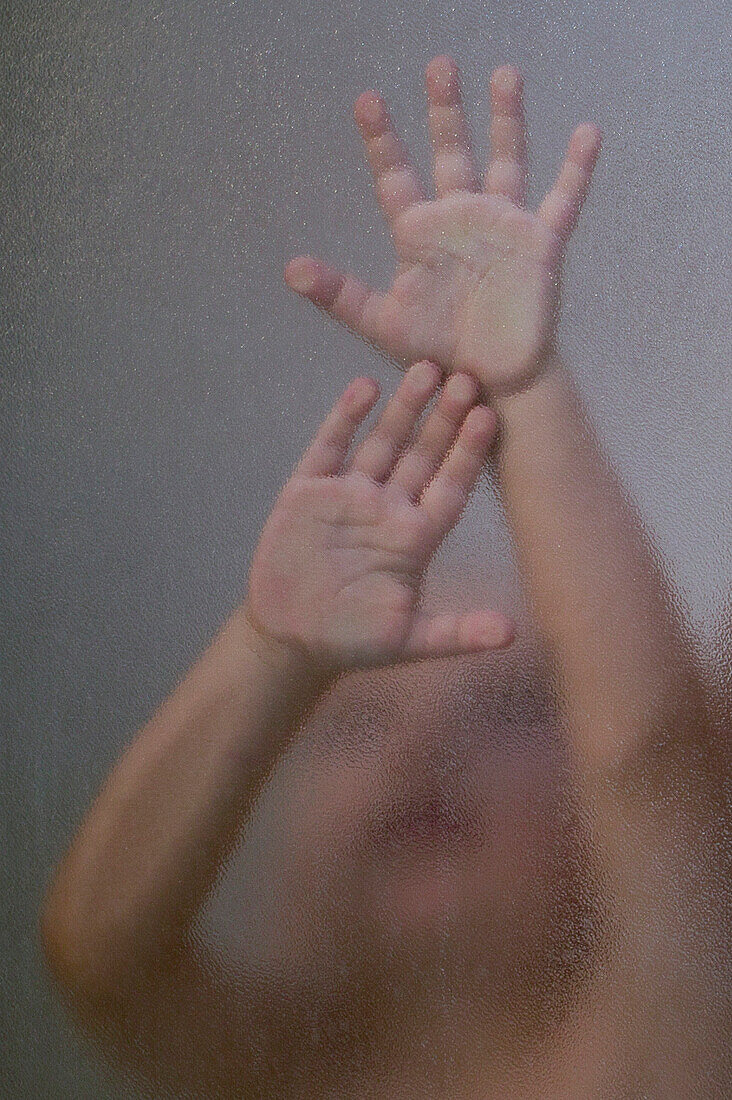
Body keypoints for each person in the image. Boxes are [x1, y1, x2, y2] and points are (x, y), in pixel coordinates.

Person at [40, 58, 729, 1098]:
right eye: (355, 722)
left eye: (506, 707)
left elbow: (656, 759)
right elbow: (100, 946)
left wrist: (523, 388)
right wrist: (271, 652)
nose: (423, 749)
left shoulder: (653, 1045)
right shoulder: (277, 1068)